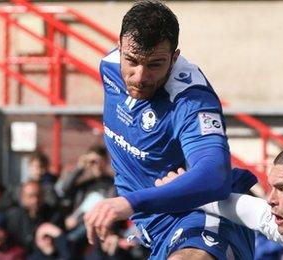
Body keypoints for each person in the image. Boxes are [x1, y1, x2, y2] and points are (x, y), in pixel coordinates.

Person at [83, 1, 255, 259]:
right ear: (119, 48)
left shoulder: (192, 101)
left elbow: (213, 175)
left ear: (174, 58)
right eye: (132, 60)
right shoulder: (108, 68)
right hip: (152, 226)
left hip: (199, 217)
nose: (140, 76)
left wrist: (130, 203)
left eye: (155, 64)